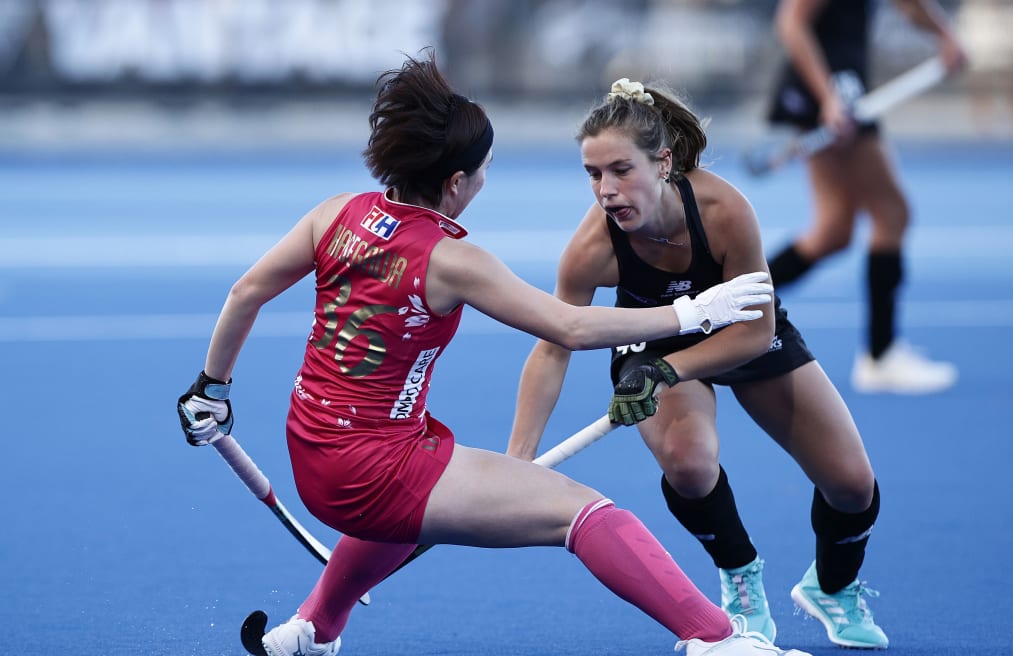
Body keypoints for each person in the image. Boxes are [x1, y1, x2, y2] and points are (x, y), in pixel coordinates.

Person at [175, 50, 813, 656]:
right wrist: (690, 313)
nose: (484, 180)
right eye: (482, 170)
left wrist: (212, 388)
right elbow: (568, 327)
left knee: (408, 510)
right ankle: (718, 639)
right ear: (456, 182)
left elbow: (246, 291)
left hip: (313, 450)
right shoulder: (452, 261)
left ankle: (310, 632)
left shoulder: (335, 213)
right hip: (374, 469)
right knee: (585, 514)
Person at [507, 77, 888, 649]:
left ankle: (832, 587)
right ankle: (739, 575)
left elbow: (757, 331)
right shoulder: (593, 248)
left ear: (662, 164)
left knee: (853, 485)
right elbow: (553, 345)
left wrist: (671, 373)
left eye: (620, 169)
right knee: (688, 461)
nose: (606, 190)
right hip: (651, 339)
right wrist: (518, 461)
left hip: (740, 334)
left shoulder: (724, 211)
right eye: (593, 174)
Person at [765, 0, 967, 394]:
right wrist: (828, 97)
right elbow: (791, 22)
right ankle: (881, 355)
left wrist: (946, 35)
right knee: (892, 213)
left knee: (833, 231)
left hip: (840, 91)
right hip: (831, 94)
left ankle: (721, 305)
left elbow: (909, 4)